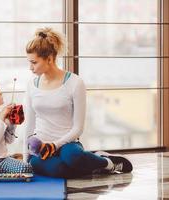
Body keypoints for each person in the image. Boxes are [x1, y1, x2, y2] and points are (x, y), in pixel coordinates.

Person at [23, 27, 133, 178]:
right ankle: (90, 161)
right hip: (41, 147)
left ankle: (108, 163)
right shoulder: (31, 85)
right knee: (59, 170)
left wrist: (55, 145)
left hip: (68, 143)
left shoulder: (75, 82)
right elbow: (29, 126)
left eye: (34, 62)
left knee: (72, 158)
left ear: (49, 58)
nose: (30, 67)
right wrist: (25, 161)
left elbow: (78, 128)